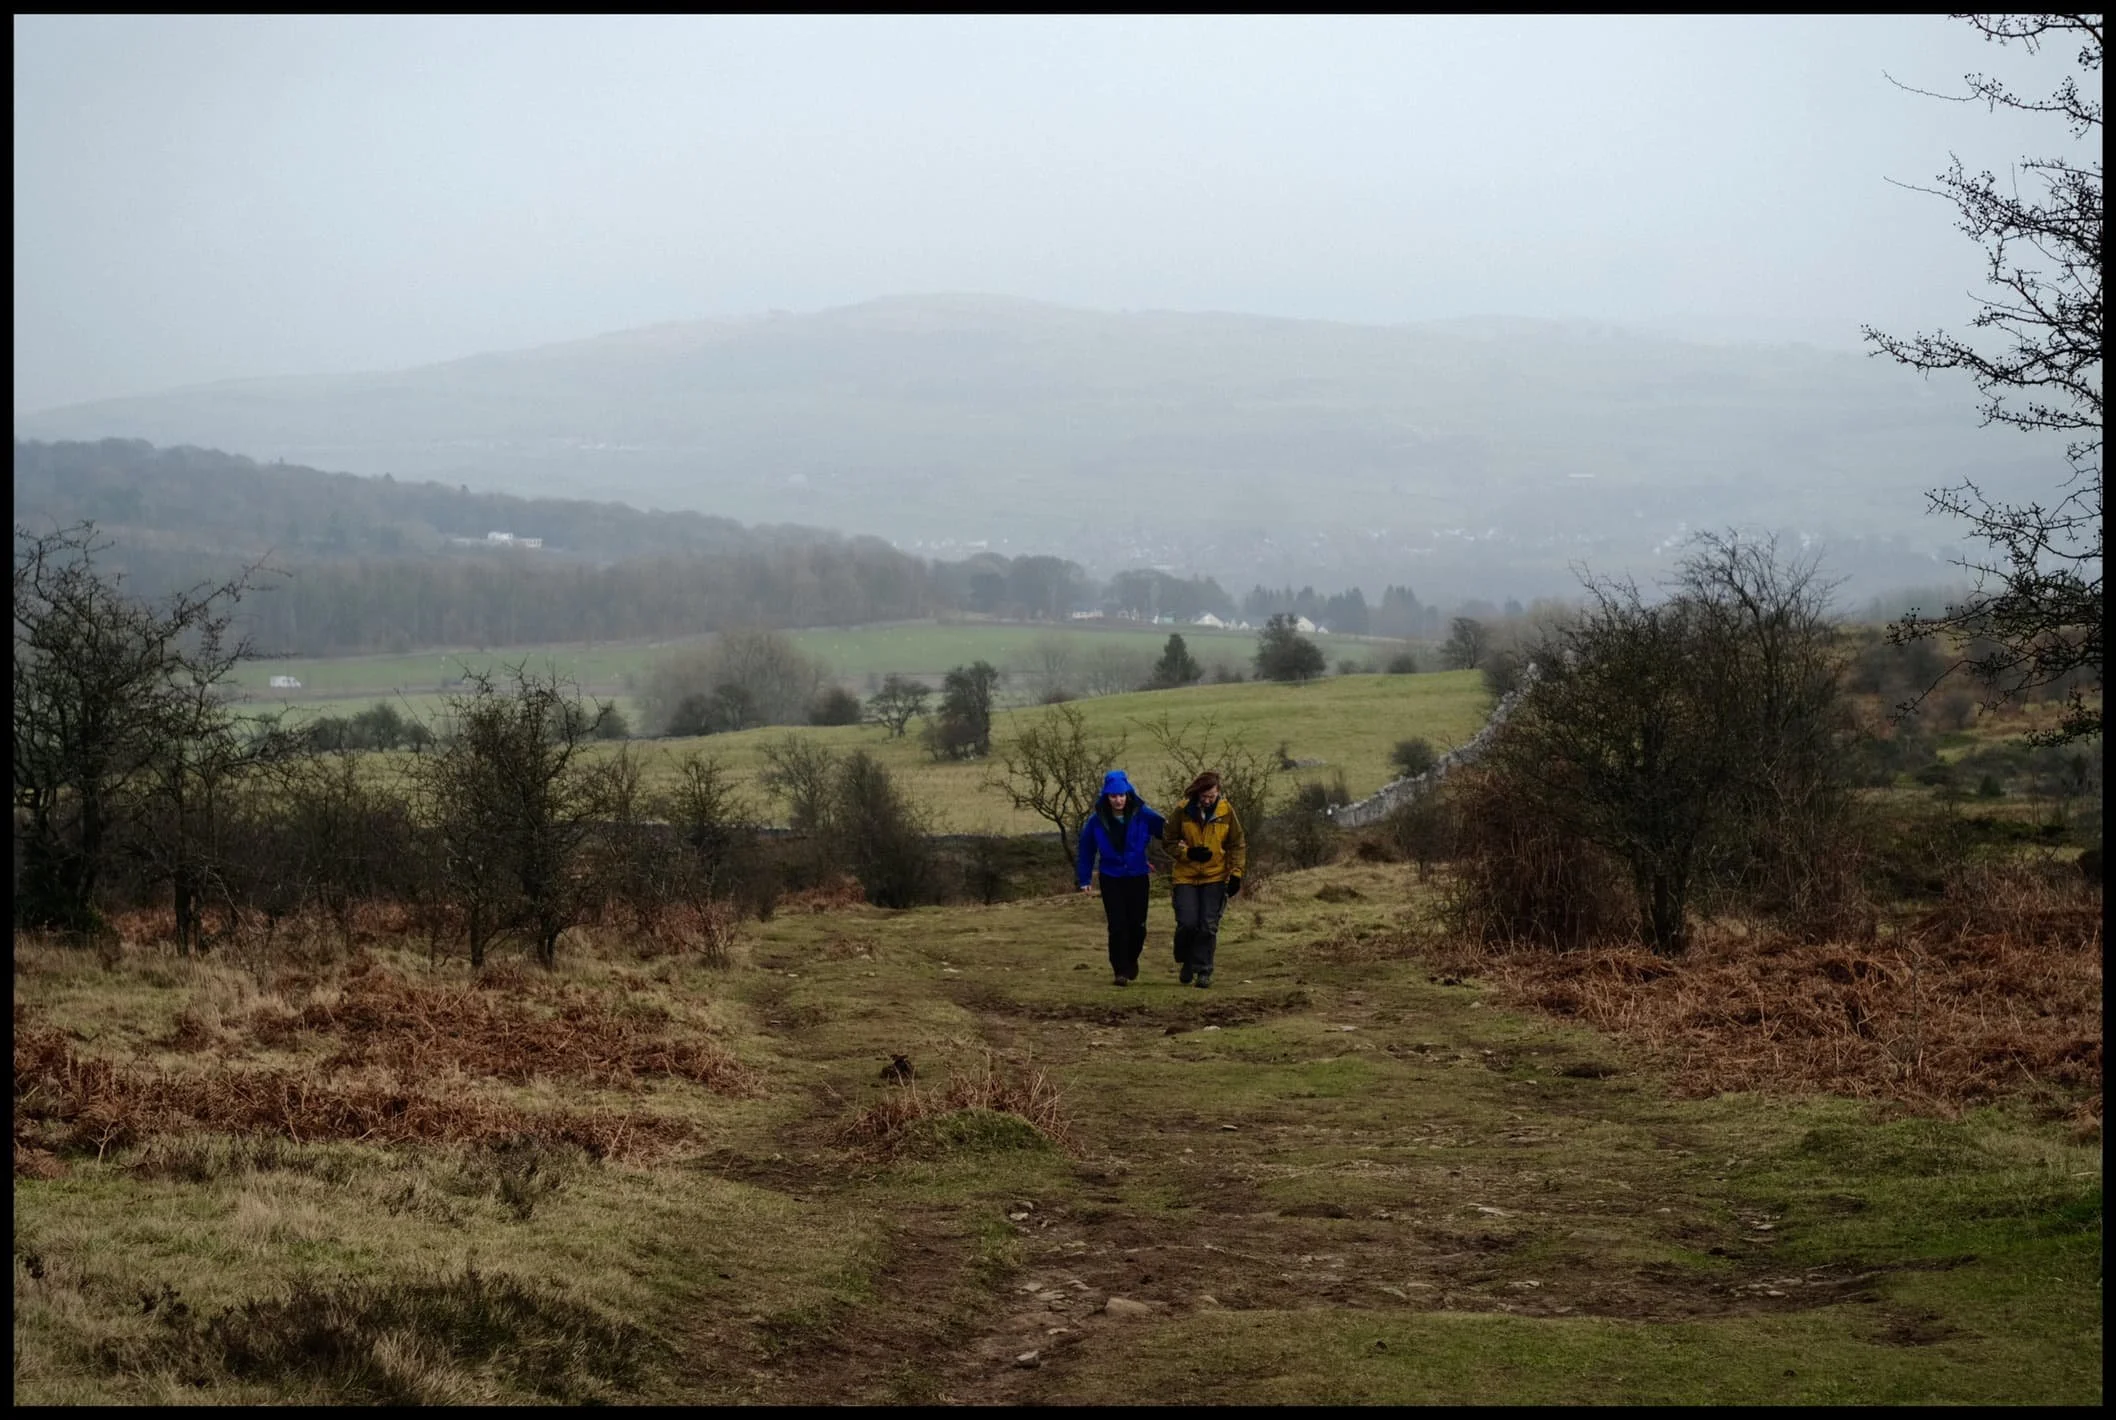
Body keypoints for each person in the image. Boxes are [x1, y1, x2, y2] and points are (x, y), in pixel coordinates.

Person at [1075, 769, 1165, 986]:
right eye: (1114, 796)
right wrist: (1084, 878)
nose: (1118, 800)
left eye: (1122, 795)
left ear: (1128, 794)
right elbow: (1086, 850)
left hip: (1137, 875)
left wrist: (1184, 844)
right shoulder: (1097, 821)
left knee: (1138, 925)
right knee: (1117, 926)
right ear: (1107, 796)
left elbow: (1167, 831)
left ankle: (1131, 959)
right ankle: (1120, 971)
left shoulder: (1143, 814)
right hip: (1111, 876)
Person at [1162, 770, 1247, 988]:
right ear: (1197, 792)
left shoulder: (1226, 811)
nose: (1207, 800)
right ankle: (1185, 959)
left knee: (1208, 925)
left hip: (1215, 875)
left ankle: (1203, 970)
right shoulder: (1182, 811)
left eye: (1211, 796)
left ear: (1218, 793)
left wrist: (1236, 873)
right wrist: (1187, 853)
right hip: (1186, 876)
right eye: (1204, 796)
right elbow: (1168, 841)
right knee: (1188, 923)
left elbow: (1237, 844)